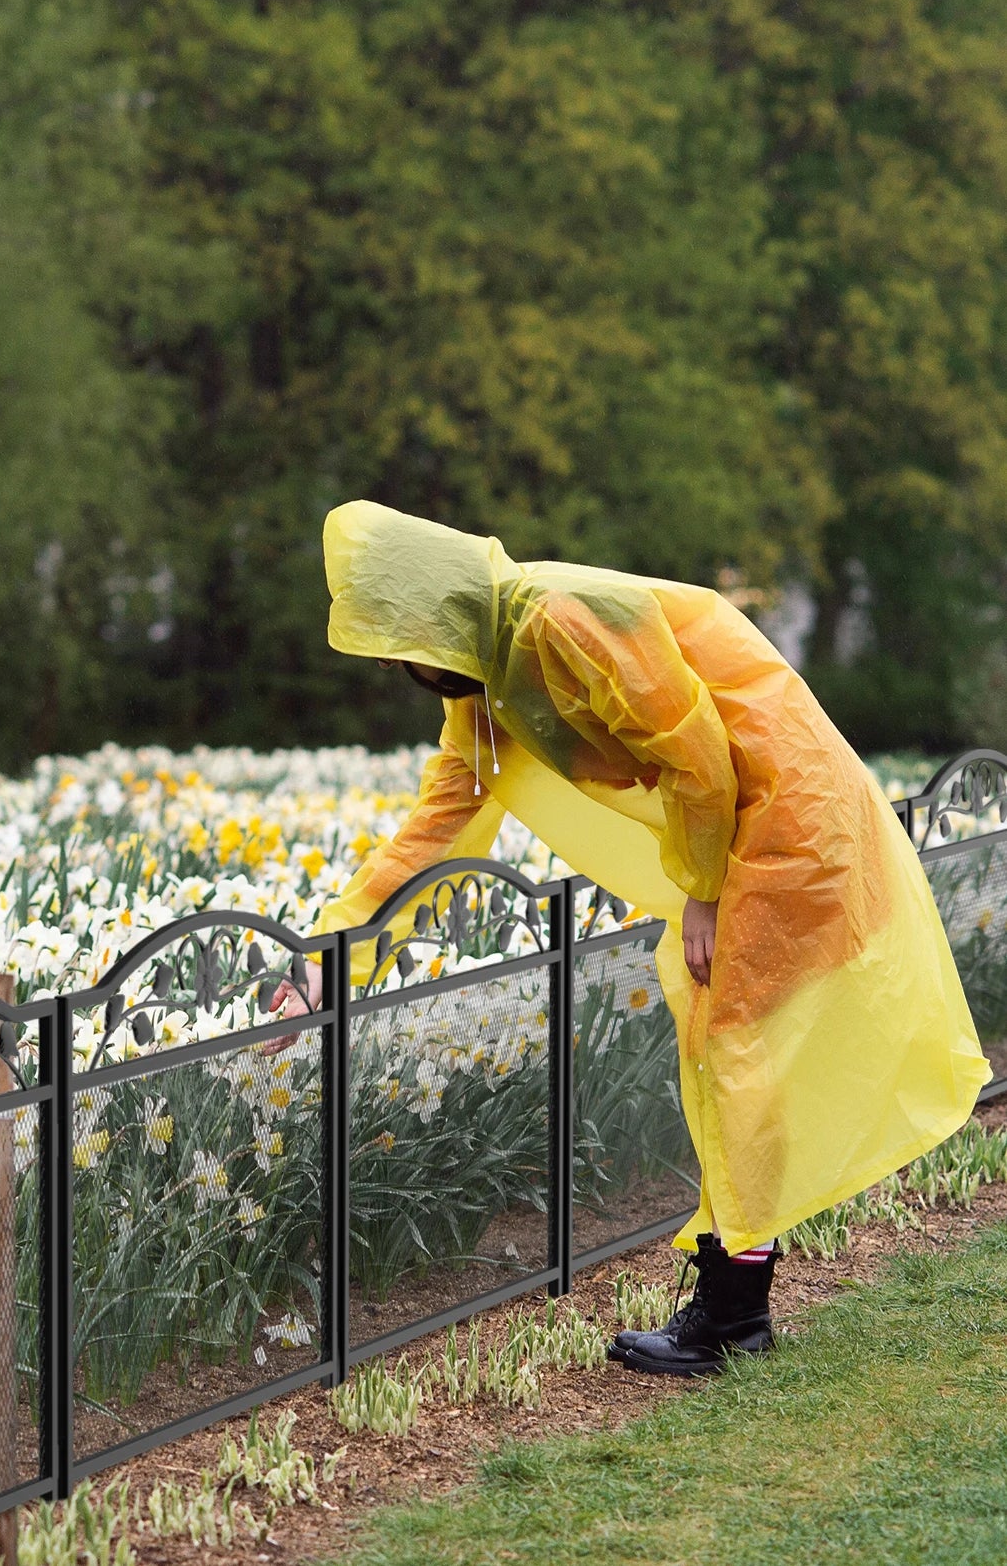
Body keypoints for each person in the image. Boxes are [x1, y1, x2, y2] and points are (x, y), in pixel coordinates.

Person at [274, 500, 992, 1376]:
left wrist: (704, 889)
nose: (396, 664)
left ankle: (734, 1317)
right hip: (738, 826)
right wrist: (329, 962)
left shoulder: (563, 620)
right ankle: (735, 1303)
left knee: (736, 1046)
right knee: (725, 1046)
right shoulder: (490, 694)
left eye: (398, 643)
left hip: (783, 817)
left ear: (437, 613)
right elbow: (432, 833)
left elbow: (697, 754)